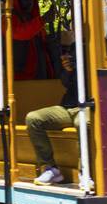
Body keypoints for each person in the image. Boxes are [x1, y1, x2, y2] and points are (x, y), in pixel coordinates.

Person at [26, 44, 82, 186]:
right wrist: (68, 70)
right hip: (68, 107)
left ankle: (85, 172)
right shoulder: (74, 47)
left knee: (82, 123)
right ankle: (50, 168)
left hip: (88, 107)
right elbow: (66, 83)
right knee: (33, 118)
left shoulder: (101, 48)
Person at [10, 0, 55, 80]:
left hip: (41, 71)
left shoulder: (35, 20)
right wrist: (43, 20)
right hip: (22, 76)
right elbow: (20, 33)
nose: (30, 2)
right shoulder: (9, 18)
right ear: (18, 0)